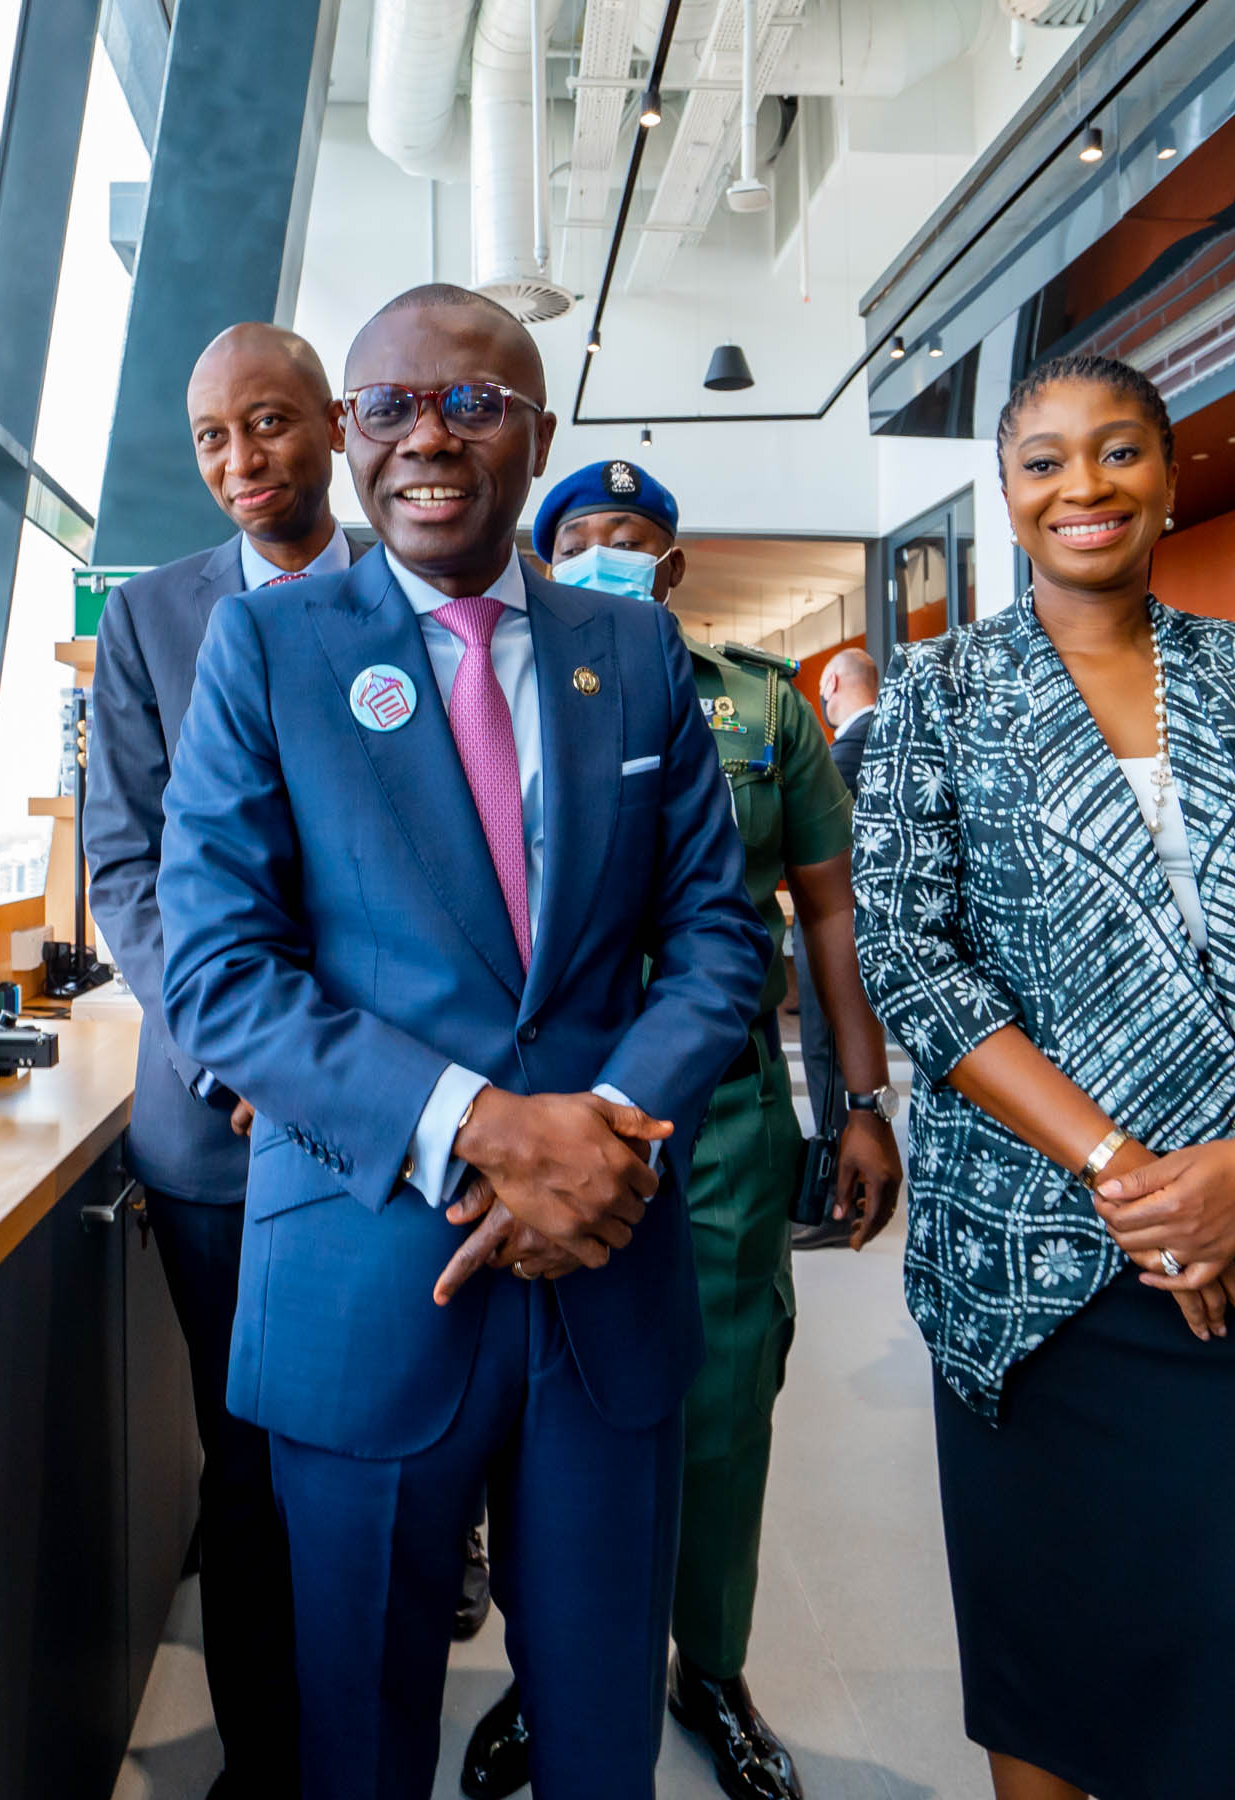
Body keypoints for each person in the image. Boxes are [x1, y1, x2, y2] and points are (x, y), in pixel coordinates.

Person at [157, 283, 768, 1800]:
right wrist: (493, 1130)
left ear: (537, 431)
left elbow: (719, 944)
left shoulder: (630, 658)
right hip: (370, 1270)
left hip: (605, 1264)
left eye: (473, 405)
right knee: (353, 1740)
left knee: (601, 1738)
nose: (428, 438)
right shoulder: (268, 648)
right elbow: (222, 973)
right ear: (353, 437)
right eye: (390, 408)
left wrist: (604, 1126)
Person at [853, 351, 1235, 1800]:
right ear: (1007, 494)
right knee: (1049, 1665)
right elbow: (912, 959)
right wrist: (1137, 1186)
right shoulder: (940, 698)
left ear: (1172, 474)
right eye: (1043, 462)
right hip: (1038, 1266)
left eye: (1117, 454)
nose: (1082, 487)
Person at [461, 469, 904, 1800]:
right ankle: (556, 1680)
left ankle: (709, 1664)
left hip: (714, 1124)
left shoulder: (762, 704)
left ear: (673, 564)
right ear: (537, 561)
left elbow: (825, 914)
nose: (601, 555)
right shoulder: (493, 690)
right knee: (537, 1414)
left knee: (718, 1413)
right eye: (576, 540)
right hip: (535, 1118)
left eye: (628, 540)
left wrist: (862, 1102)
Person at [84, 319, 346, 1798]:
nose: (243, 460)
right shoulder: (153, 621)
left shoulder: (409, 587)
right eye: (213, 440)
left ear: (330, 425)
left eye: (270, 424)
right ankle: (268, 1768)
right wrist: (239, 1044)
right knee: (246, 1473)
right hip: (219, 1125)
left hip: (390, 1116)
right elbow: (126, 866)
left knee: (373, 1463)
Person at [792, 646, 883, 1252]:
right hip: (875, 933)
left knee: (827, 1065)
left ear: (831, 683)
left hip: (839, 933)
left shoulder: (844, 754)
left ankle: (835, 1198)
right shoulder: (894, 736)